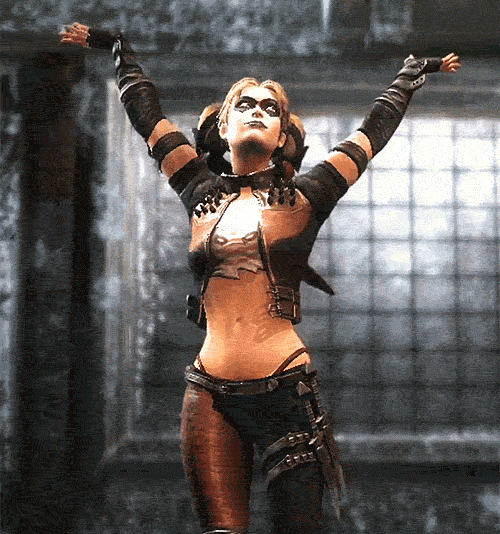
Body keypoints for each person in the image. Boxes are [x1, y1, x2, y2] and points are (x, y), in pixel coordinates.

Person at [60, 22, 460, 534]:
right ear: (222, 127)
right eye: (245, 104)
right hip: (207, 393)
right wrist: (117, 47)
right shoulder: (197, 189)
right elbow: (148, 118)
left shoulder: (308, 195)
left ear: (283, 136)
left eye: (271, 109)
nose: (257, 111)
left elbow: (369, 135)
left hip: (285, 391)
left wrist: (409, 77)